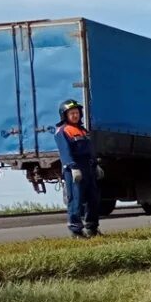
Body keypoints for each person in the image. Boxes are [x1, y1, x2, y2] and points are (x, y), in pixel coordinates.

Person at [54, 99, 100, 238]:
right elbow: (65, 152)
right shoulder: (63, 131)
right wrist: (72, 167)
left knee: (93, 199)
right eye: (71, 113)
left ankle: (92, 228)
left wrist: (96, 165)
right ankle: (76, 231)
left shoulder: (82, 130)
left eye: (77, 113)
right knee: (76, 200)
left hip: (88, 168)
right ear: (65, 115)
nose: (75, 115)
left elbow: (90, 149)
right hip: (74, 169)